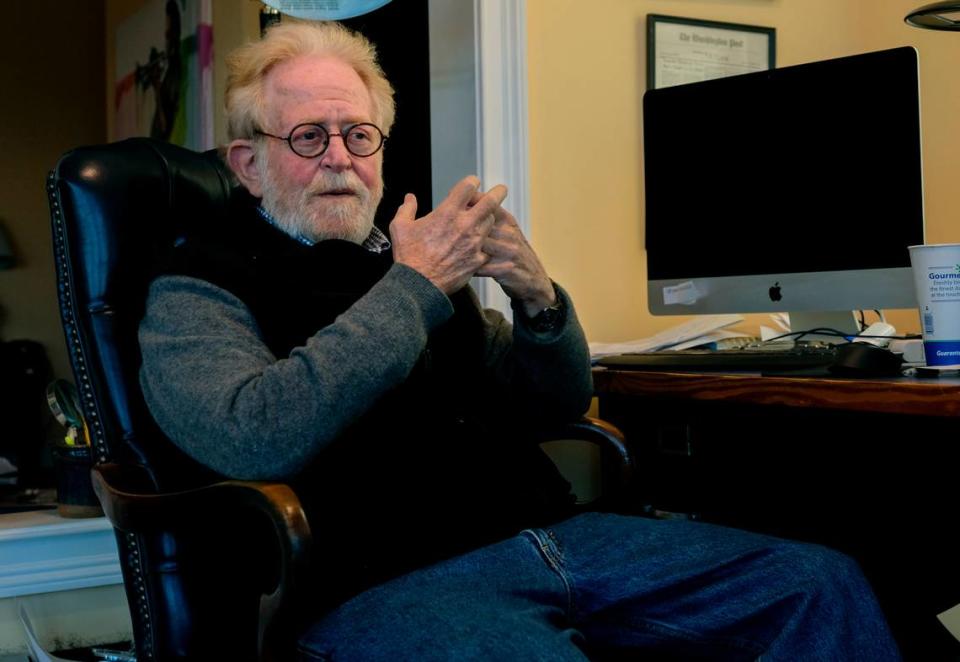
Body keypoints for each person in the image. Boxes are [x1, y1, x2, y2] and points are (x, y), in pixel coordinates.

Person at [138, 20, 901, 661]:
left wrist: (539, 302)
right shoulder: (198, 285)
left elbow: (553, 403)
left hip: (554, 536)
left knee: (819, 581)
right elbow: (252, 436)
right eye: (309, 137)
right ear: (248, 163)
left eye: (358, 134)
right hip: (377, 578)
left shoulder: (403, 261)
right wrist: (416, 288)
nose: (340, 157)